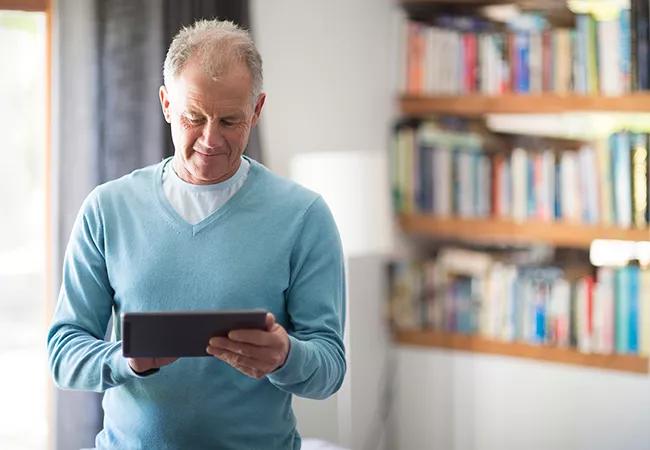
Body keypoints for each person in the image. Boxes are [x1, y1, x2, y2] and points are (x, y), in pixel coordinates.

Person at [47, 19, 346, 449]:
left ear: (257, 110)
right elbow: (63, 354)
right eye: (193, 117)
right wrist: (125, 360)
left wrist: (286, 356)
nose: (210, 139)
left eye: (229, 120)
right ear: (167, 104)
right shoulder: (107, 209)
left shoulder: (304, 217)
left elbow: (330, 369)